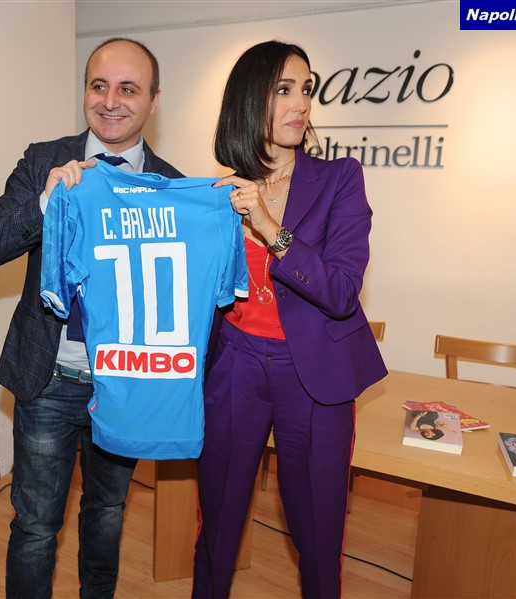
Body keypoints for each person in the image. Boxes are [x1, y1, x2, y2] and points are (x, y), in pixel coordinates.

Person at [0, 37, 183, 599]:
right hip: (49, 379)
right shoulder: (44, 160)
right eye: (99, 86)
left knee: (107, 511)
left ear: (154, 100)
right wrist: (46, 202)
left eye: (128, 89)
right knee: (36, 526)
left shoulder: (172, 186)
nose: (110, 101)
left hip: (126, 383)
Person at [191, 40, 387, 599]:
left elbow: (342, 292)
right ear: (249, 99)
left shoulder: (340, 178)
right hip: (235, 365)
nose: (301, 103)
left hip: (314, 375)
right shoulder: (218, 193)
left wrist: (269, 227)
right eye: (284, 89)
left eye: (306, 89)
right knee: (218, 525)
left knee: (319, 533)